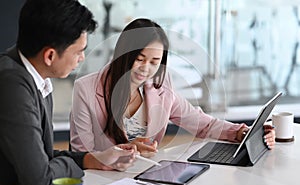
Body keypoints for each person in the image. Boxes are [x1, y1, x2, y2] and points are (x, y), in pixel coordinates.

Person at [70, 18, 275, 157]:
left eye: (155, 61)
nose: (146, 69)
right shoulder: (86, 89)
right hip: (106, 182)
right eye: (140, 59)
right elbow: (80, 155)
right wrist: (124, 151)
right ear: (124, 54)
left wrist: (241, 132)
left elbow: (201, 123)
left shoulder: (159, 85)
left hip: (148, 178)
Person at [0, 0, 137, 185]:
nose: (82, 58)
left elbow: (41, 157)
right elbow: (40, 181)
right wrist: (72, 166)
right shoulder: (12, 85)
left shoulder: (31, 74)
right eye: (79, 51)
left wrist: (93, 159)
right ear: (50, 56)